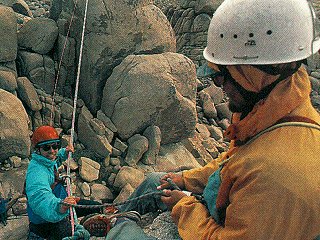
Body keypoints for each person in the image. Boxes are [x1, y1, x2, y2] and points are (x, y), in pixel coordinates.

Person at [82, 0, 320, 239]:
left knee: (124, 234)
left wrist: (183, 207)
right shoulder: (275, 112)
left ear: (259, 72)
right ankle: (117, 215)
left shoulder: (274, 174)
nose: (219, 86)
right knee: (156, 182)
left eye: (222, 76)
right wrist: (186, 180)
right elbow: (232, 163)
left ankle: (117, 226)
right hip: (229, 206)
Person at [25, 125, 103, 240]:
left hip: (61, 205)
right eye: (46, 147)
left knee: (97, 207)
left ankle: (105, 212)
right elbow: (40, 198)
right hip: (46, 220)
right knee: (74, 236)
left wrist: (63, 153)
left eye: (55, 146)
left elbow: (54, 160)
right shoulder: (37, 173)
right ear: (38, 150)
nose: (52, 151)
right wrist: (59, 206)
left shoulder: (46, 161)